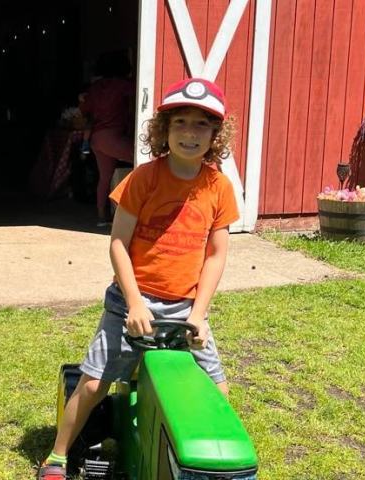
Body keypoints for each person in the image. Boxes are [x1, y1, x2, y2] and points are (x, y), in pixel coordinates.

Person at [37, 77, 239, 480]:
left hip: (185, 307)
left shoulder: (218, 187)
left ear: (216, 134)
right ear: (164, 130)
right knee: (94, 383)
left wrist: (198, 314)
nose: (190, 133)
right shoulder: (144, 178)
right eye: (180, 122)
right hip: (132, 300)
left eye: (202, 125)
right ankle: (57, 456)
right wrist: (133, 303)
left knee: (218, 389)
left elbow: (216, 256)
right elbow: (118, 245)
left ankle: (211, 468)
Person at [79, 51, 136, 226]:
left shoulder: (95, 88)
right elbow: (141, 89)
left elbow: (84, 109)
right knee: (143, 164)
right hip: (114, 137)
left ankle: (101, 217)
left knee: (104, 178)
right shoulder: (122, 85)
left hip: (97, 138)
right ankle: (121, 204)